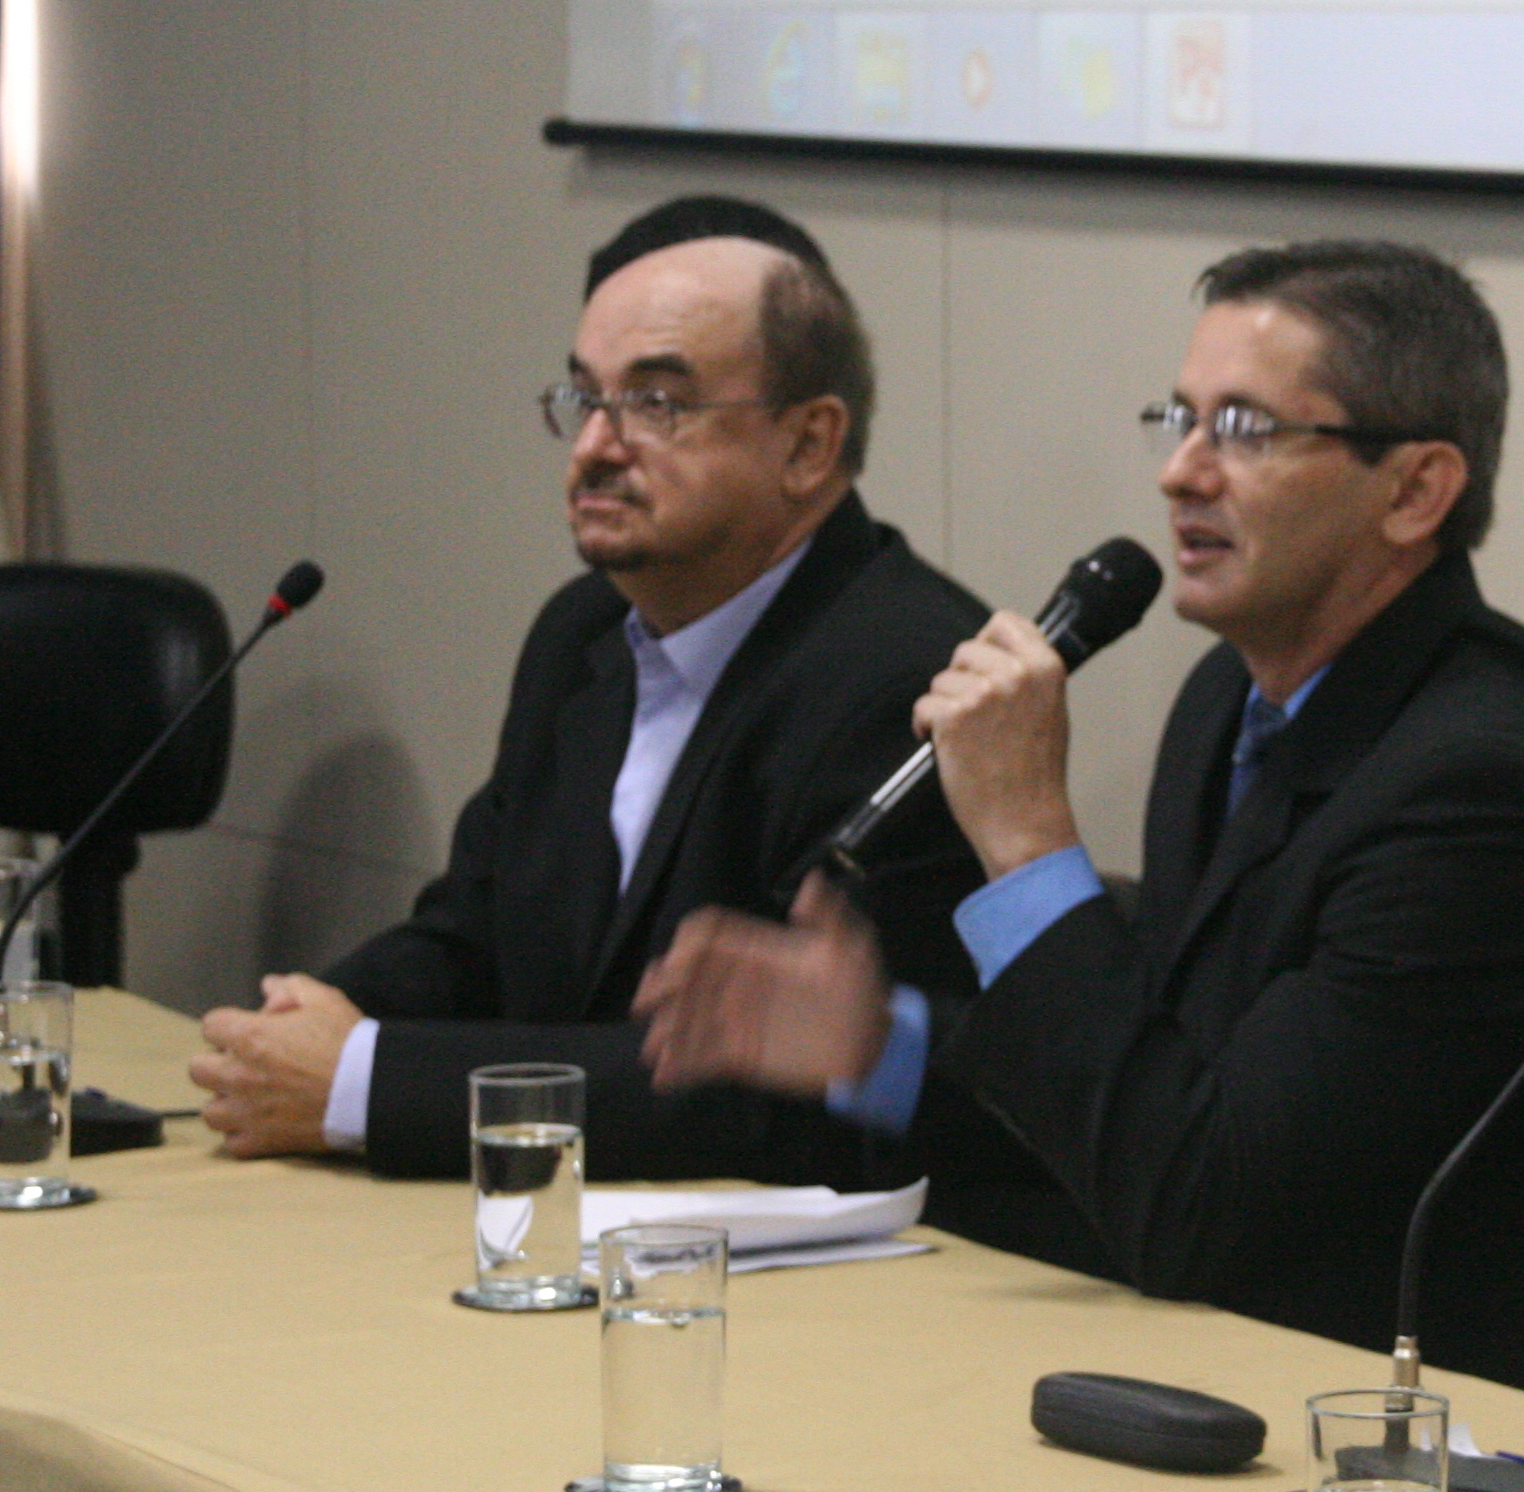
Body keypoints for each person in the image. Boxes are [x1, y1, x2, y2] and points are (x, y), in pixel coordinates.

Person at [637, 239, 1524, 1427]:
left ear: (1415, 491)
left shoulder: (1484, 798)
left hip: (1516, 1448)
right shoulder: (1230, 709)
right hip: (1279, 1384)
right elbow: (1157, 1107)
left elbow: (1202, 1214)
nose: (1180, 473)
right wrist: (879, 1045)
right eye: (1179, 419)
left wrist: (1025, 841)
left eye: (1246, 430)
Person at [185, 196, 991, 1185]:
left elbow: (767, 1090)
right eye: (583, 398)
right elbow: (472, 937)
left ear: (809, 445)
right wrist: (298, 1025)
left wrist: (364, 1081)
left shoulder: (907, 680)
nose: (594, 448)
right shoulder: (581, 635)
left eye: (657, 404)